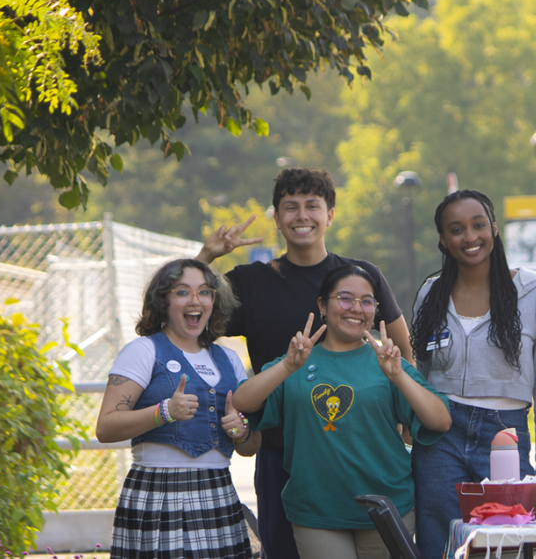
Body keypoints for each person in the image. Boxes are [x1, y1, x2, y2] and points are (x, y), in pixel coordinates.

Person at [196, 168, 411, 559]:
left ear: (330, 214)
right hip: (281, 450)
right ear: (276, 219)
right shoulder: (249, 281)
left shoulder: (361, 279)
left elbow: (402, 348)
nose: (301, 216)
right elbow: (189, 319)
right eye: (290, 207)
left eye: (313, 206)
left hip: (362, 451)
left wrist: (406, 412)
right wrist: (208, 257)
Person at [233, 265, 451, 559]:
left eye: (367, 301)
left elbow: (440, 420)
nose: (357, 309)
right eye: (345, 298)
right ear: (322, 305)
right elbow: (242, 401)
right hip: (317, 513)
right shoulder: (298, 360)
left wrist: (399, 376)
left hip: (385, 508)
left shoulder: (386, 362)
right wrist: (287, 366)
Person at [409, 189, 536, 559]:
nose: (470, 237)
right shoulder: (430, 294)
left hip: (506, 432)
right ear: (444, 241)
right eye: (456, 229)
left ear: (494, 228)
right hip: (440, 435)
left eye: (479, 225)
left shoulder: (535, 292)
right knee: (440, 542)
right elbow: (420, 375)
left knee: (507, 543)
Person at [96, 258, 260, 559]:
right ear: (164, 301)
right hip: (158, 493)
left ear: (215, 300)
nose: (195, 301)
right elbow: (105, 427)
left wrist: (240, 431)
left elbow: (249, 448)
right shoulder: (143, 351)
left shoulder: (229, 359)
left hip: (217, 490)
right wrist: (164, 411)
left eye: (205, 292)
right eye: (182, 292)